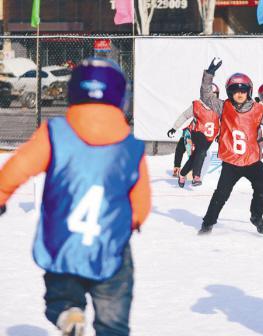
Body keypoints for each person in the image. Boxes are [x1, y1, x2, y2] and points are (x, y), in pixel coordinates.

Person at [0, 58, 151, 336]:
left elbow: (18, 167)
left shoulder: (56, 133)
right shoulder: (130, 147)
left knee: (62, 294)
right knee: (113, 316)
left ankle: (68, 311)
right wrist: (132, 221)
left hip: (63, 242)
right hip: (109, 245)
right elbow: (142, 203)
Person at [198, 57, 263, 235]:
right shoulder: (223, 107)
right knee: (221, 195)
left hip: (252, 161)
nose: (239, 94)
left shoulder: (258, 110)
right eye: (235, 90)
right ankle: (208, 223)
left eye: (243, 90)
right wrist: (209, 73)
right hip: (231, 162)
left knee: (262, 188)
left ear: (249, 91)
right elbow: (206, 95)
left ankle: (256, 217)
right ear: (229, 92)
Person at [168, 84, 221, 186]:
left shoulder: (219, 107)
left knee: (196, 156)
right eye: (209, 96)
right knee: (189, 149)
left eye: (214, 95)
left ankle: (182, 174)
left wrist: (221, 134)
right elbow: (185, 115)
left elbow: (225, 121)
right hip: (195, 133)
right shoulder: (197, 105)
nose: (212, 99)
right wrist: (174, 127)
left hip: (209, 138)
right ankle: (196, 176)